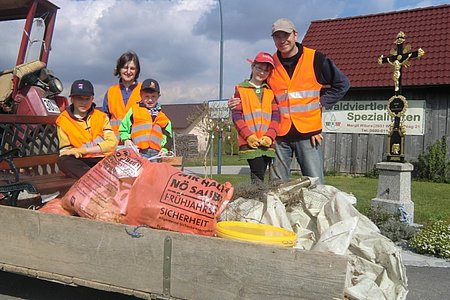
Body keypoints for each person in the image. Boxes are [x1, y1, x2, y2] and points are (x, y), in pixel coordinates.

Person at [230, 18, 350, 184]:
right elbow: (255, 88)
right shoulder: (271, 64)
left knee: (315, 185)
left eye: (286, 35)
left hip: (309, 134)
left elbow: (342, 84)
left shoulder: (315, 59)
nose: (282, 40)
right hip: (279, 136)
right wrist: (237, 101)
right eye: (277, 37)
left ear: (295, 35)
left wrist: (322, 103)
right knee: (277, 187)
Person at [232, 52, 279, 183]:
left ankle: (259, 197)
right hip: (250, 142)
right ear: (252, 67)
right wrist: (248, 136)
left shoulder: (270, 92)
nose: (262, 73)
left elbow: (276, 116)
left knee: (263, 172)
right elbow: (236, 116)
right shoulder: (241, 89)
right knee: (257, 173)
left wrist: (270, 136)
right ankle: (257, 198)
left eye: (266, 70)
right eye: (259, 68)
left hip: (266, 142)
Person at [56, 79, 118, 179]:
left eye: (87, 98)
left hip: (102, 158)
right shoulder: (63, 120)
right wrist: (72, 152)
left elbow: (112, 144)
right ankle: (96, 179)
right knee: (63, 161)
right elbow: (65, 151)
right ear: (72, 99)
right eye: (79, 98)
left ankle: (94, 178)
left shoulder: (101, 117)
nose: (83, 102)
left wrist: (83, 150)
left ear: (92, 99)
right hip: (81, 162)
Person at [119, 78, 173, 159]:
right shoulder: (134, 111)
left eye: (153, 96)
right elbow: (124, 128)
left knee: (155, 172)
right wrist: (126, 139)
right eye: (146, 96)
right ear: (141, 95)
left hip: (157, 154)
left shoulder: (162, 117)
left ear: (158, 96)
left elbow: (168, 136)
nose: (150, 100)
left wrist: (165, 149)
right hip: (138, 152)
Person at [102, 51, 142, 140]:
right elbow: (104, 119)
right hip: (114, 142)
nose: (128, 71)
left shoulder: (144, 91)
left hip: (137, 142)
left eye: (132, 68)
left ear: (137, 71)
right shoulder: (111, 91)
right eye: (125, 67)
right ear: (119, 69)